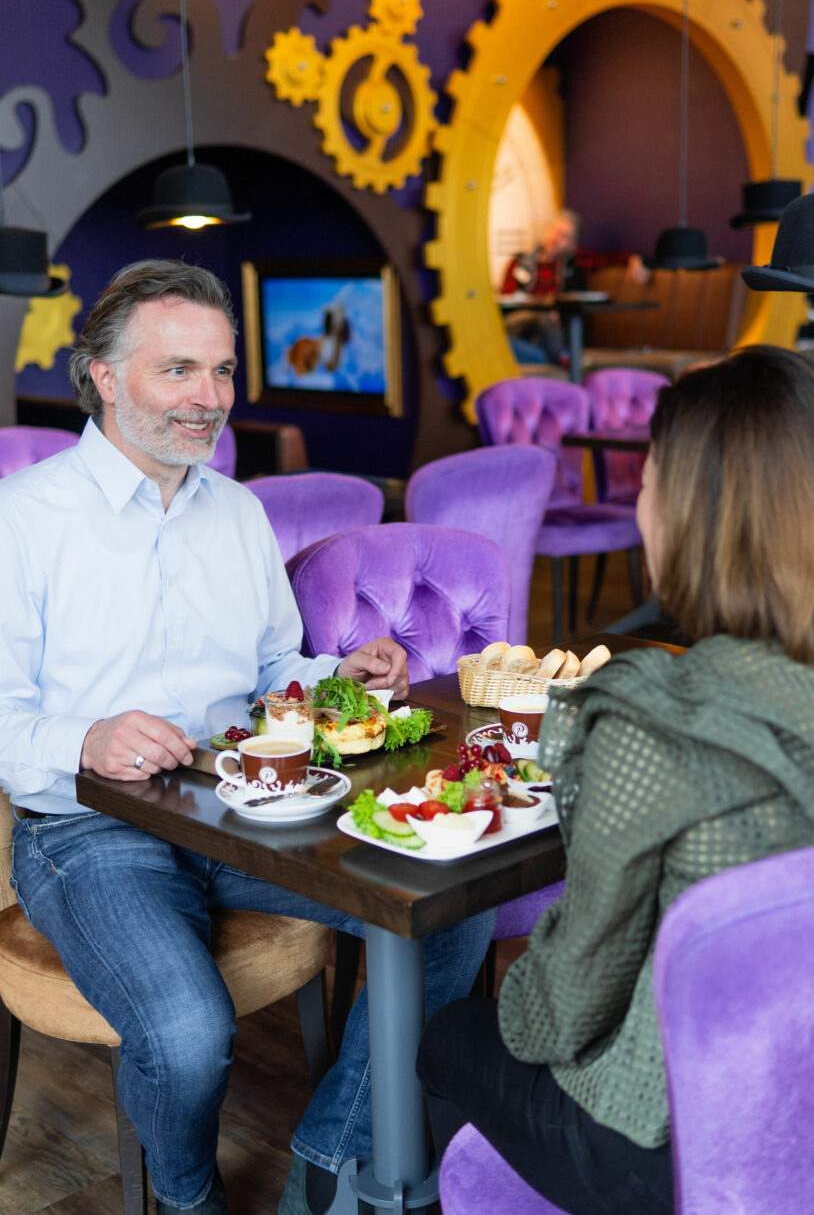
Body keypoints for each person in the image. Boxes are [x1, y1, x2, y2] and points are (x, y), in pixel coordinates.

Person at [0, 259, 495, 1214]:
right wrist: (86, 740)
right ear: (104, 376)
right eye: (178, 370)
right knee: (186, 1031)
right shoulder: (22, 520)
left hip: (243, 795)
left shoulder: (237, 512)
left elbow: (271, 672)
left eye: (222, 372)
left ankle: (328, 1155)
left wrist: (334, 676)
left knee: (452, 902)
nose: (210, 398)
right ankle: (185, 1199)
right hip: (84, 829)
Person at [417, 345, 814, 1215]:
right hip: (799, 1120)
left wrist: (513, 980)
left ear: (691, 516)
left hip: (664, 1148)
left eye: (650, 479)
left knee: (447, 1038)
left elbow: (556, 1012)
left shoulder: (646, 722)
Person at [500, 209, 650, 364]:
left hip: (553, 336)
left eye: (564, 236)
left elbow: (611, 258)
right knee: (538, 316)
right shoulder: (520, 262)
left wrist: (635, 260)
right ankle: (563, 359)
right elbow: (506, 298)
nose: (557, 239)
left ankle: (559, 359)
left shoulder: (575, 261)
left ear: (572, 246)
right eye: (556, 232)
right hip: (518, 325)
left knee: (542, 327)